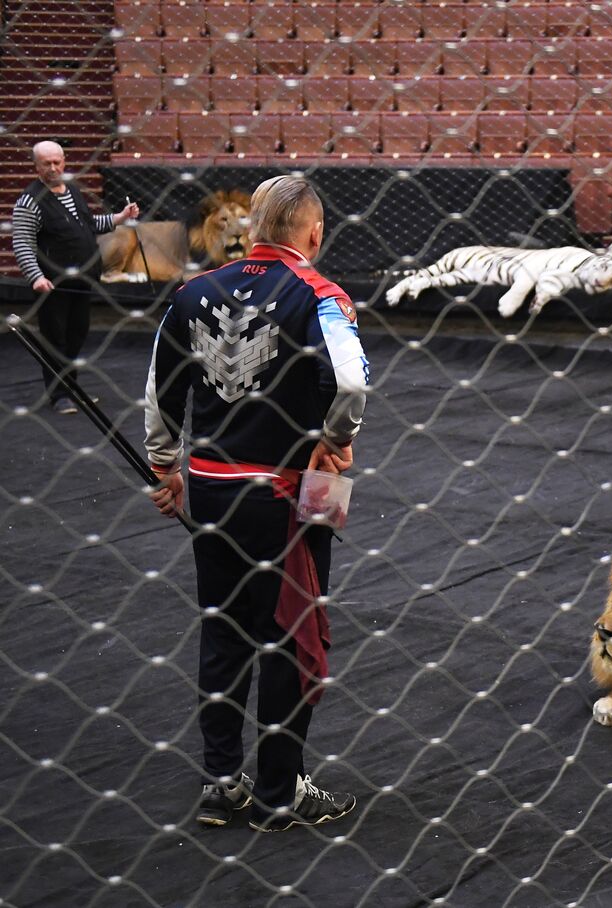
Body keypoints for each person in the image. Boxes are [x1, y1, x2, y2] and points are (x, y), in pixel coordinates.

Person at [144, 175, 370, 833]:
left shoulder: (191, 293)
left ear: (252, 229)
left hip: (213, 484)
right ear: (314, 232)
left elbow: (162, 386)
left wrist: (165, 465)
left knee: (223, 630)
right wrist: (336, 440)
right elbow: (351, 381)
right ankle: (280, 790)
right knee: (294, 634)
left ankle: (222, 783)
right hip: (294, 489)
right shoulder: (321, 295)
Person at [12, 140, 139, 413]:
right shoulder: (29, 201)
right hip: (52, 284)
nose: (54, 167)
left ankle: (72, 388)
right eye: (47, 163)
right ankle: (59, 396)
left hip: (82, 281)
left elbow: (89, 225)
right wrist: (35, 276)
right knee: (54, 339)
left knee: (76, 336)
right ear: (36, 166)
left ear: (65, 161)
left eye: (57, 161)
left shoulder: (72, 191)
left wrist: (119, 218)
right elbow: (22, 243)